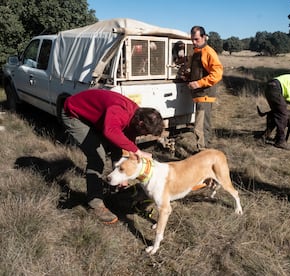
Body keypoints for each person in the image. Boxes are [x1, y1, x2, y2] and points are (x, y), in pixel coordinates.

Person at [61, 89, 164, 224]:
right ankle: (95, 204)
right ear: (141, 124)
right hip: (74, 114)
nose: (145, 136)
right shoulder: (119, 110)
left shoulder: (136, 116)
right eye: (146, 132)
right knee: (97, 157)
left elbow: (126, 142)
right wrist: (137, 151)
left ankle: (116, 189)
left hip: (92, 118)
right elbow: (110, 131)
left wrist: (124, 175)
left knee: (119, 150)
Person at [187, 25, 223, 151]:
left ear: (204, 37)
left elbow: (217, 73)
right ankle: (206, 152)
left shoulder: (208, 52)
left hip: (205, 95)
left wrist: (199, 83)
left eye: (196, 39)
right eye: (192, 39)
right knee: (204, 125)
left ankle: (202, 154)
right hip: (199, 96)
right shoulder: (197, 52)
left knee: (200, 127)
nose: (194, 42)